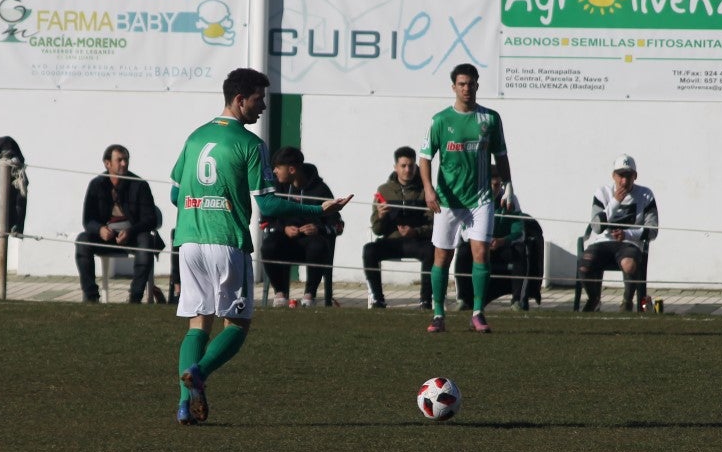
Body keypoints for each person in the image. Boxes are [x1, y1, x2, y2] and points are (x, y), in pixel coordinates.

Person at [169, 68, 350, 425]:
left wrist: (202, 202)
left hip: (188, 241)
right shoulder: (250, 144)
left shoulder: (194, 137)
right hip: (225, 242)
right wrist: (318, 208)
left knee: (197, 323)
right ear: (240, 100)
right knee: (237, 325)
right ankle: (200, 372)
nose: (263, 106)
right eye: (258, 99)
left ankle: (183, 405)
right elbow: (267, 206)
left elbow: (176, 193)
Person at [418, 62, 517, 334]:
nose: (466, 88)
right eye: (461, 84)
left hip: (481, 198)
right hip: (448, 200)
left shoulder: (490, 119)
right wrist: (428, 189)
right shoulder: (440, 120)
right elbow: (425, 158)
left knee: (481, 252)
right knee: (442, 256)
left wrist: (509, 185)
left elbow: (501, 155)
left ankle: (477, 312)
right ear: (454, 87)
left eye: (471, 84)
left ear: (477, 85)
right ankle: (438, 313)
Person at [74, 144, 162, 303]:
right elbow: (88, 220)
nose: (124, 163)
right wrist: (100, 229)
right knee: (82, 240)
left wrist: (130, 231)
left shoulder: (140, 185)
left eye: (126, 160)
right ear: (107, 163)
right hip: (106, 236)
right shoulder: (96, 184)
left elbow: (150, 219)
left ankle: (135, 297)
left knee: (147, 240)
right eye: (119, 160)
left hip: (133, 234)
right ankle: (91, 296)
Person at [260, 146, 343, 308]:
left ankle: (309, 296)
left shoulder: (320, 189)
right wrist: (282, 228)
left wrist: (317, 229)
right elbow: (264, 222)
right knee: (269, 246)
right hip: (285, 244)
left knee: (318, 245)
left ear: (291, 169)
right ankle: (280, 294)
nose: (275, 171)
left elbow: (337, 225)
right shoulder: (276, 189)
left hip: (311, 247)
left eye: (278, 167)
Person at [580, 153, 658, 312]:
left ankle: (627, 300)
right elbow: (596, 227)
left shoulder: (646, 194)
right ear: (613, 176)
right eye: (621, 175)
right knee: (584, 265)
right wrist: (615, 201)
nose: (624, 181)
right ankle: (594, 299)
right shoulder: (602, 192)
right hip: (602, 241)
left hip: (630, 243)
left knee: (629, 265)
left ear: (635, 176)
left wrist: (628, 235)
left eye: (628, 176)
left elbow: (653, 230)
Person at [362, 145, 433, 309]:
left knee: (431, 250)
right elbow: (376, 230)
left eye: (411, 165)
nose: (407, 170)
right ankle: (378, 299)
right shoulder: (384, 190)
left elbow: (434, 225)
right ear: (395, 167)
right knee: (369, 250)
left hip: (417, 242)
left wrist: (415, 231)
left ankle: (425, 300)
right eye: (403, 166)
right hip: (392, 242)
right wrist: (380, 216)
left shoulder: (425, 190)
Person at [455, 173, 530, 309]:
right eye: (488, 185)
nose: (492, 189)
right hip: (478, 245)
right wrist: (482, 241)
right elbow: (464, 230)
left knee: (520, 250)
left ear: (501, 185)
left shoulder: (510, 199)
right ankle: (462, 299)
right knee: (463, 251)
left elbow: (518, 231)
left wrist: (502, 241)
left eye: (495, 185)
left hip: (501, 246)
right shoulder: (473, 197)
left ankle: (517, 300)